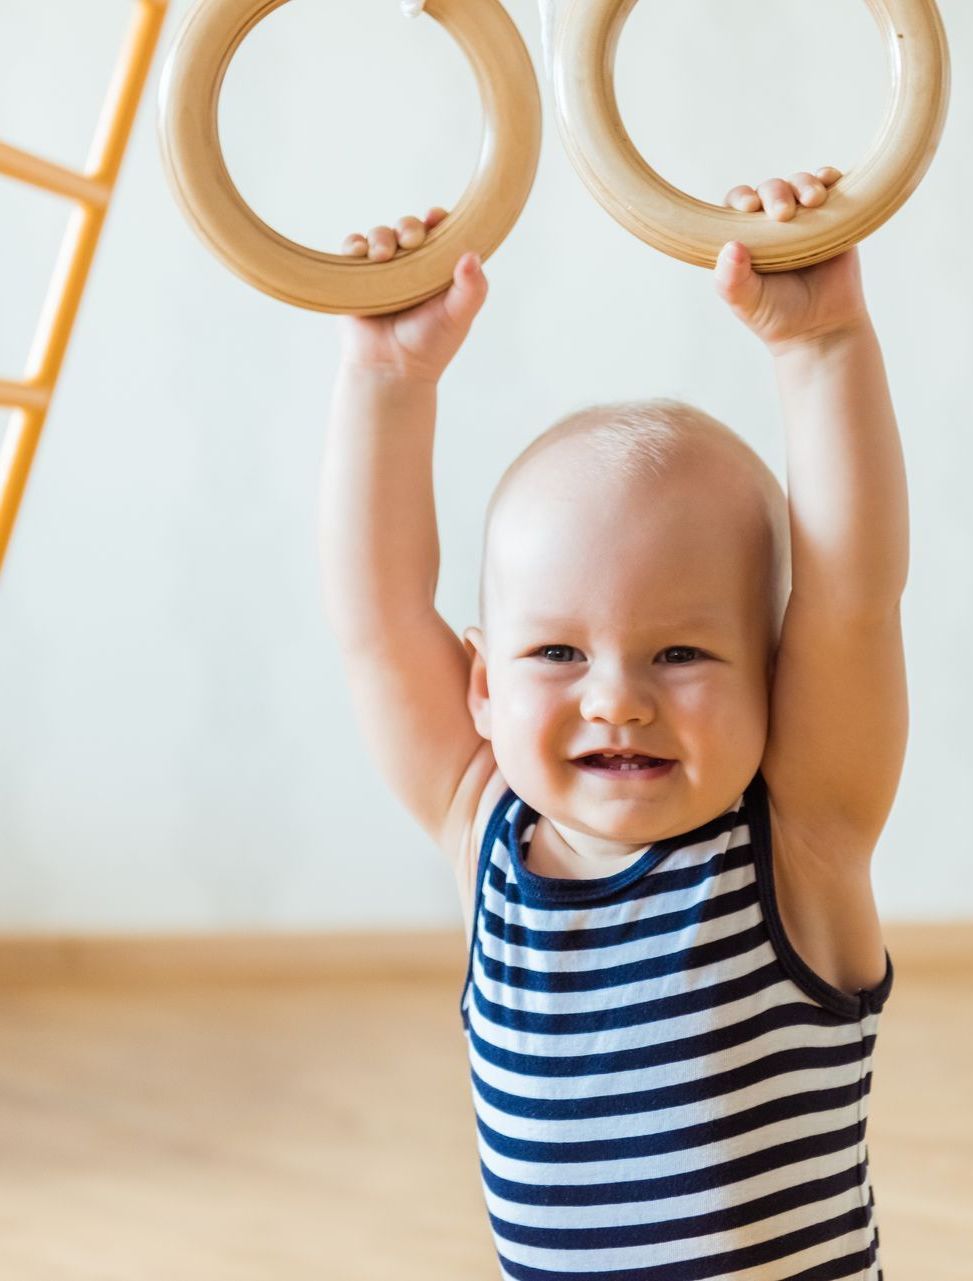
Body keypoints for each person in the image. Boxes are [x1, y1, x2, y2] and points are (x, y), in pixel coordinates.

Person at [318, 166, 909, 1278]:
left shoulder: (798, 848)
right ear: (482, 686)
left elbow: (854, 598)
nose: (616, 697)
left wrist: (822, 346)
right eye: (556, 653)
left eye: (680, 653)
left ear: (776, 679)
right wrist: (388, 381)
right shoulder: (484, 831)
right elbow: (375, 620)